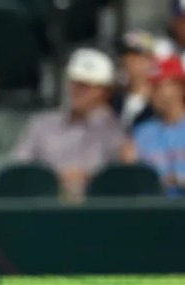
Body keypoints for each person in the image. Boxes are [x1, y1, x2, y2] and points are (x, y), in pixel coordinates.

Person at [9, 48, 125, 202]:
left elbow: (118, 179)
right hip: (45, 206)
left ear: (104, 92)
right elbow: (17, 168)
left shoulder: (115, 129)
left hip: (95, 211)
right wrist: (54, 177)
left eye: (86, 85)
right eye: (75, 83)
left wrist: (88, 177)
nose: (77, 90)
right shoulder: (42, 124)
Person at [124, 54, 185, 197]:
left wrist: (177, 180)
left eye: (159, 85)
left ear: (180, 87)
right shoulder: (142, 131)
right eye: (152, 86)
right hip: (153, 212)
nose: (153, 93)